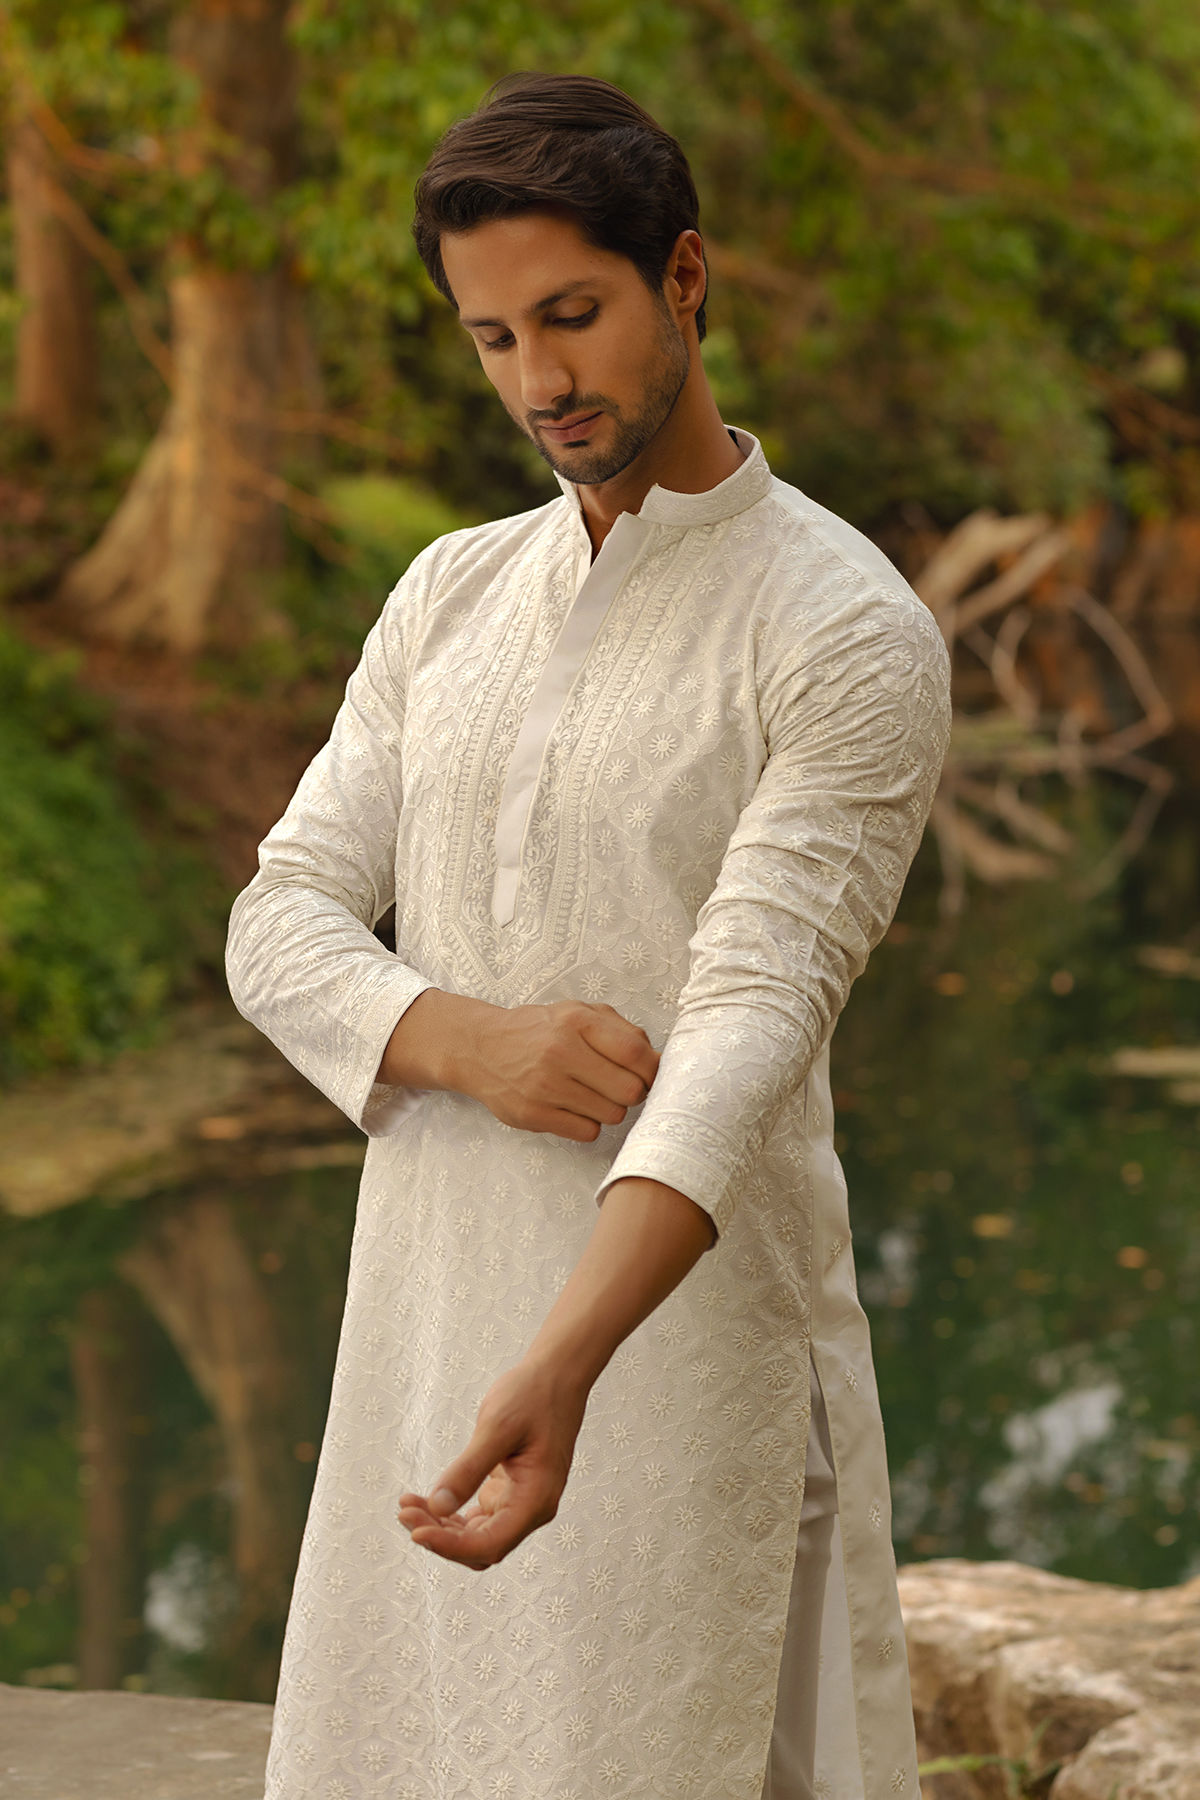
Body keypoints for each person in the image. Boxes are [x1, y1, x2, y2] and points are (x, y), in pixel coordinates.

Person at [225, 71, 951, 1800]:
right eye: (493, 339)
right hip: (423, 1338)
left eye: (572, 316)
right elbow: (279, 917)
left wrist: (562, 1365)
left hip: (683, 1363)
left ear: (683, 277)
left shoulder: (844, 629)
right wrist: (460, 1036)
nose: (539, 382)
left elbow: (746, 1030)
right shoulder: (450, 593)